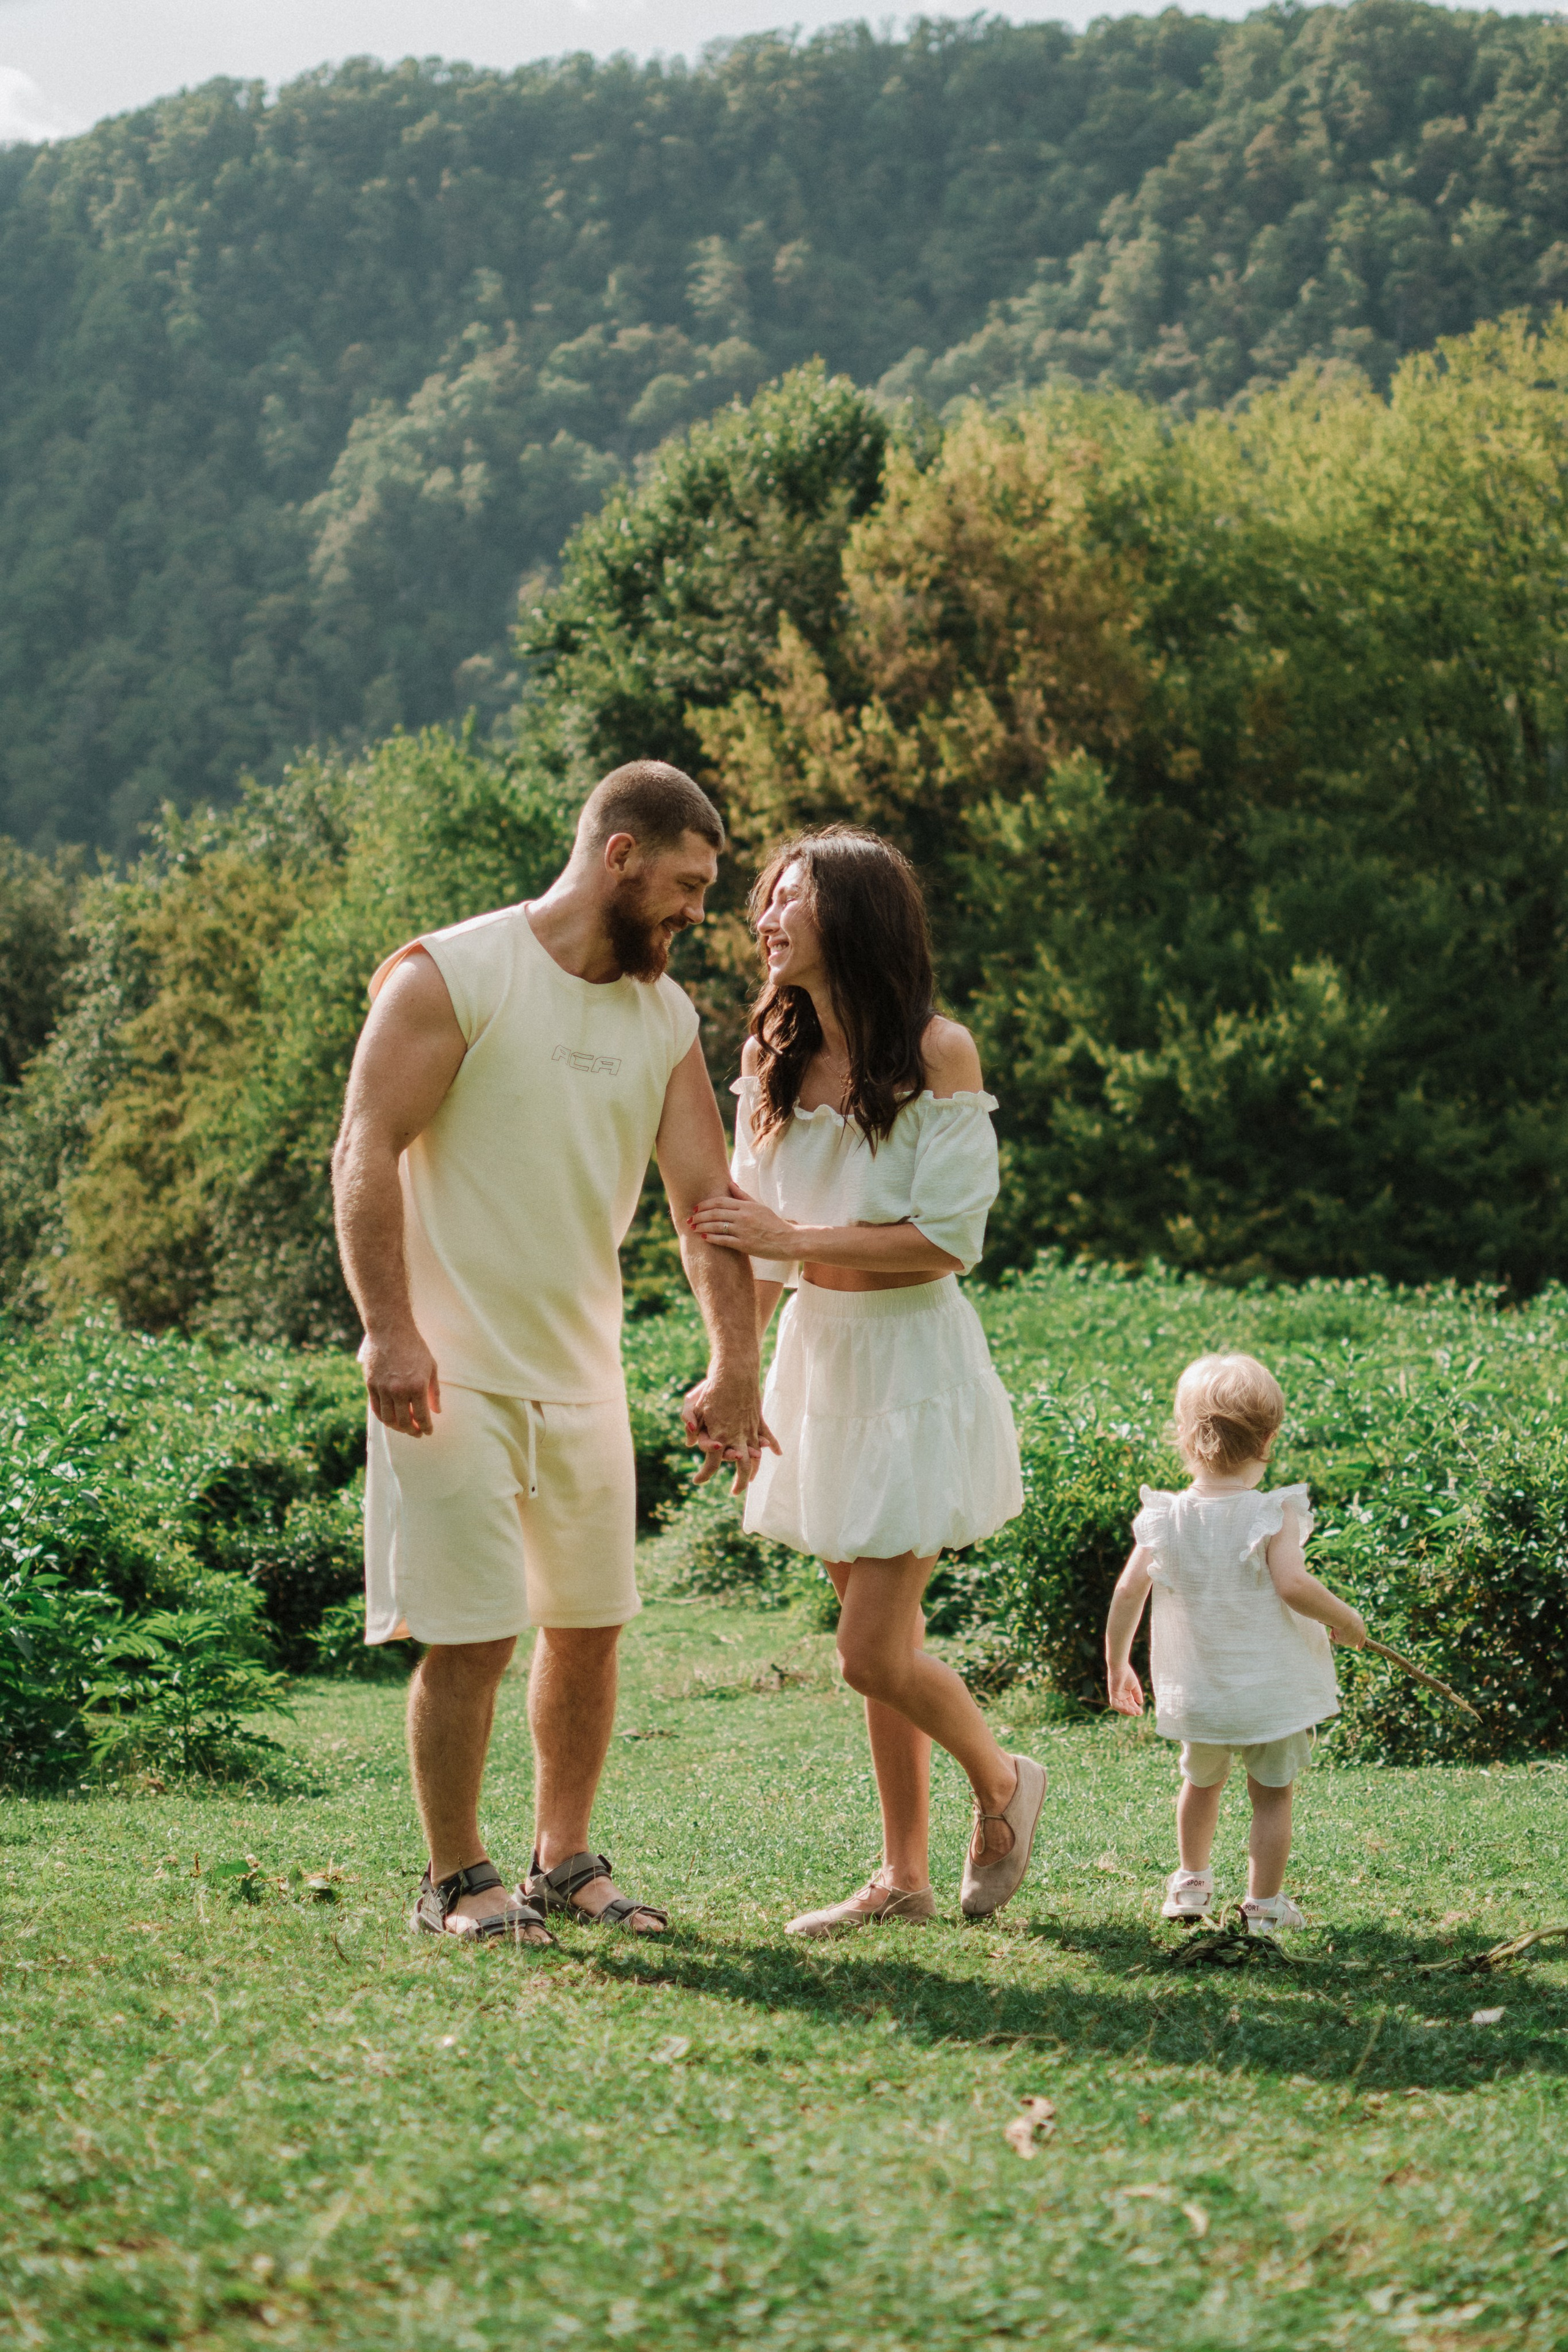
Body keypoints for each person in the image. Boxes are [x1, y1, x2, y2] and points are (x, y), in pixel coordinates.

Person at [332, 760, 769, 1946]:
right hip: (446, 1369)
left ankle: (560, 1863)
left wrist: (735, 1363)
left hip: (582, 1375)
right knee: (472, 1631)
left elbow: (703, 1206)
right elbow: (366, 1146)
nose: (694, 913)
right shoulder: (449, 973)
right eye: (683, 885)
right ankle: (451, 1880)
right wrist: (387, 1328)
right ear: (618, 854)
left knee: (586, 1627)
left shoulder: (661, 1016)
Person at [688, 827, 1039, 1934]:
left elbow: (945, 1243)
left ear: (855, 914)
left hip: (912, 1359)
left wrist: (792, 1232)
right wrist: (729, 1378)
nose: (766, 919)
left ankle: (1003, 1785)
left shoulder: (940, 1052)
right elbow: (743, 1242)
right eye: (765, 901)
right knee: (882, 1645)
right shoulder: (766, 1063)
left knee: (868, 1654)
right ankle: (905, 1877)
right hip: (816, 1361)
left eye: (788, 899)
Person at [1104, 1351, 1368, 1937]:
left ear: (1185, 1435)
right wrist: (1345, 1618)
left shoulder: (1165, 1516)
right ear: (1269, 1439)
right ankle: (1264, 1907)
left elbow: (1127, 1593)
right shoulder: (1273, 1512)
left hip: (1201, 1697)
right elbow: (1293, 1585)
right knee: (1272, 1797)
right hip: (1269, 1698)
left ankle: (1191, 1884)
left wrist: (1118, 1663)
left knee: (1200, 1784)